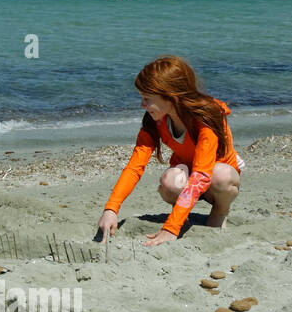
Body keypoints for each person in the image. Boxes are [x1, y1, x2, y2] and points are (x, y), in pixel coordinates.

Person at [98, 55, 244, 246]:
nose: (142, 105)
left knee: (220, 175)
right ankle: (182, 215)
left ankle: (220, 211)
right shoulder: (155, 120)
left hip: (216, 178)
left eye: (147, 99)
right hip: (189, 174)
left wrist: (170, 228)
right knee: (169, 180)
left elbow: (201, 176)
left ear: (172, 98)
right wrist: (111, 209)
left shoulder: (206, 119)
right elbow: (135, 167)